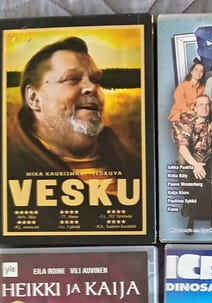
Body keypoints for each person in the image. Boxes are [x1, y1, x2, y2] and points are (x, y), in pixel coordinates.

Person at [7, 36, 141, 227]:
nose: (92, 87)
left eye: (96, 80)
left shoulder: (135, 160)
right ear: (34, 99)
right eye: (72, 79)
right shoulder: (10, 169)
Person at [171, 94, 212, 181]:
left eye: (207, 104)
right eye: (201, 104)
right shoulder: (187, 123)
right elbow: (182, 146)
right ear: (195, 108)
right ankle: (186, 188)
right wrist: (195, 164)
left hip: (209, 158)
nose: (204, 107)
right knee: (181, 159)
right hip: (193, 157)